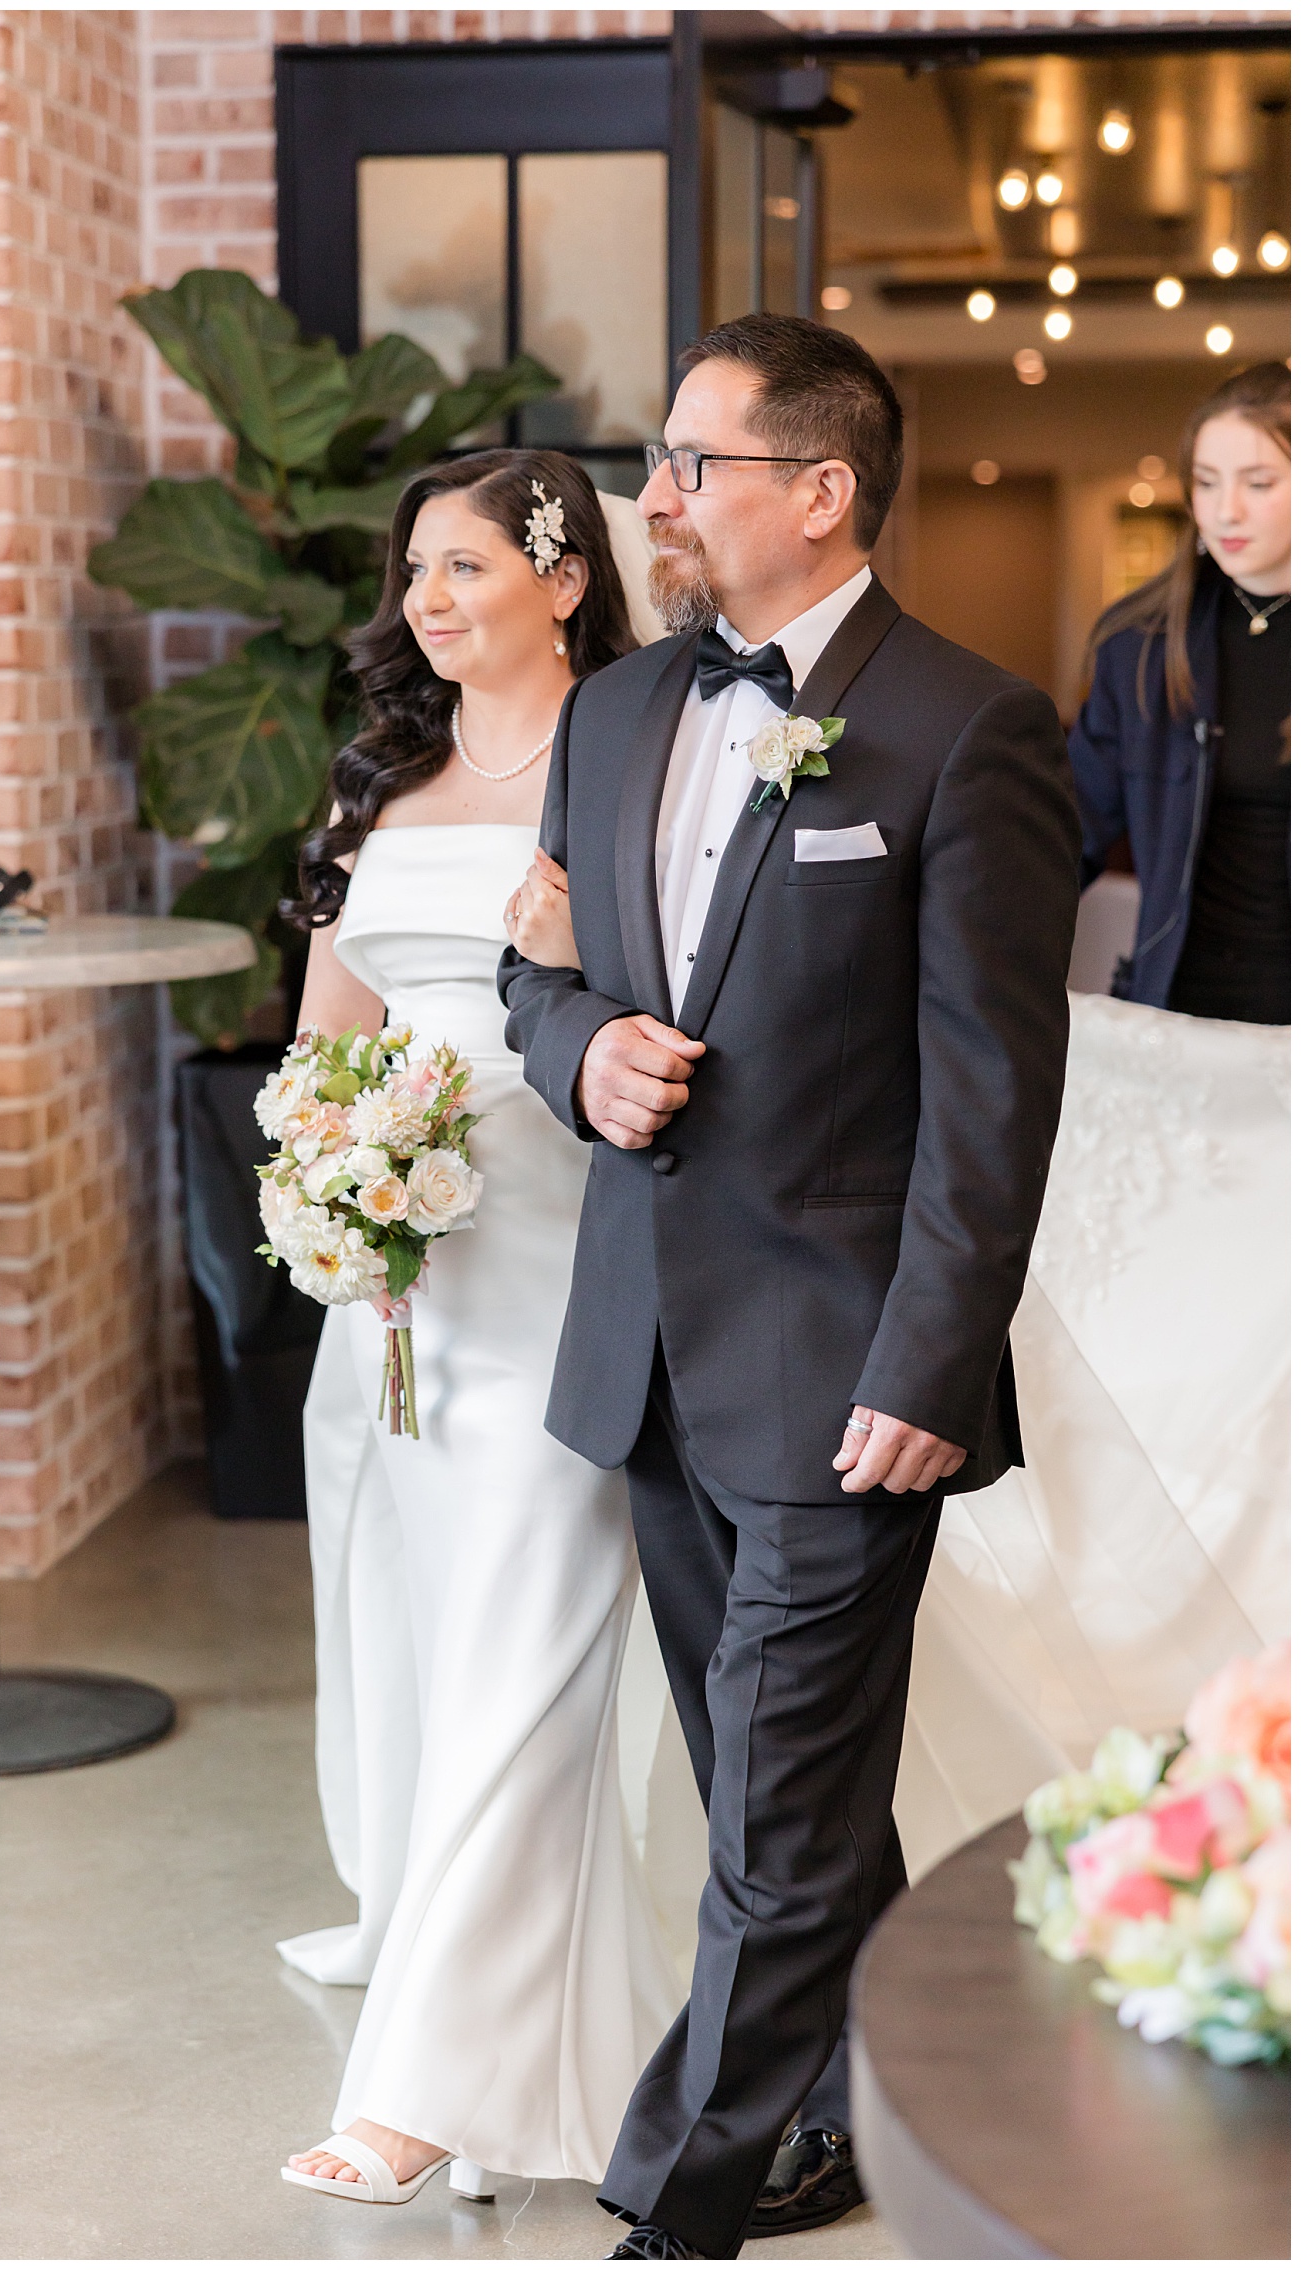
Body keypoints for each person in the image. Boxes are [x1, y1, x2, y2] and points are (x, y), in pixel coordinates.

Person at [499, 313, 1082, 2261]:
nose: (648, 499)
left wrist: (932, 1360)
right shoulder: (610, 713)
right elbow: (537, 967)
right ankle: (846, 2111)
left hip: (845, 1375)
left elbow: (995, 1098)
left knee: (767, 1818)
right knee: (796, 1803)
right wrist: (576, 1042)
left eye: (687, 463)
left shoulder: (964, 730)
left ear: (818, 492)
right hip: (652, 1357)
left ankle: (678, 2212)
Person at [276, 449, 682, 2210]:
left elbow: (698, 1006)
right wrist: (325, 1184)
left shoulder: (642, 763)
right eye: (415, 575)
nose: (428, 603)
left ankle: (429, 2089)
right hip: (396, 1290)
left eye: (463, 569)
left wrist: (588, 949)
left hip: (567, 1271)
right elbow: (321, 1040)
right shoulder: (387, 789)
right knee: (425, 1637)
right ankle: (433, 1936)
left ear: (564, 578)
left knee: (532, 1640)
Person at [1071, 362, 1290, 1025]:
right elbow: (1063, 833)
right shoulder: (1138, 643)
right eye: (1205, 482)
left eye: (1259, 482)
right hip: (1185, 1017)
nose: (1226, 510)